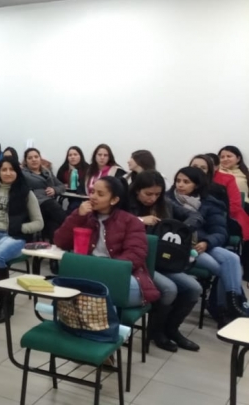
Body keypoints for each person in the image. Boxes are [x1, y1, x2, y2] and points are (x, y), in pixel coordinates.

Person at [55, 176, 160, 307]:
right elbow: (60, 241)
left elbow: (135, 255)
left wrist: (106, 269)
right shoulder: (84, 216)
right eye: (92, 192)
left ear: (114, 200)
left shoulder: (130, 221)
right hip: (89, 270)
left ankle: (94, 314)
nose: (93, 197)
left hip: (119, 274)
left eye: (100, 194)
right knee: (84, 290)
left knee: (99, 293)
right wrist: (78, 216)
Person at [127, 171, 203, 351]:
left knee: (194, 288)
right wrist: (140, 220)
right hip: (140, 263)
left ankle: (172, 329)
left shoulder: (165, 203)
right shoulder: (127, 204)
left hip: (165, 260)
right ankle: (156, 332)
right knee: (169, 289)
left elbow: (197, 217)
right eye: (148, 194)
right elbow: (118, 223)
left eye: (157, 194)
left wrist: (179, 229)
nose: (153, 198)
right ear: (137, 190)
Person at [165, 167, 249, 325]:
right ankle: (227, 308)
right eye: (178, 181)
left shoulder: (209, 202)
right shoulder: (168, 200)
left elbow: (220, 231)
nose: (180, 185)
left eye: (186, 182)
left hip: (204, 244)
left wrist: (207, 242)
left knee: (232, 258)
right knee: (224, 269)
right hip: (183, 247)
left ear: (196, 185)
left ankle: (230, 305)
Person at [0, 156, 44, 324]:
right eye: (4, 169)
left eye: (11, 169)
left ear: (17, 172)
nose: (8, 173)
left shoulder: (26, 193)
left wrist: (19, 228)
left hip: (15, 236)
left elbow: (39, 223)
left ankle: (6, 304)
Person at [193, 154, 249, 241]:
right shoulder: (180, 187)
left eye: (203, 168)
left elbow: (231, 207)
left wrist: (207, 242)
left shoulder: (217, 190)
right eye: (194, 166)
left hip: (212, 229)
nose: (198, 170)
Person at [22, 148, 65, 240]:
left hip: (49, 203)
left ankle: (54, 245)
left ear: (40, 158)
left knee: (53, 223)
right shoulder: (23, 174)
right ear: (26, 161)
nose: (34, 159)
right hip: (36, 203)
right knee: (53, 207)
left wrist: (54, 190)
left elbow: (61, 186)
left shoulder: (47, 172)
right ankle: (69, 227)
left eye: (36, 157)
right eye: (30, 158)